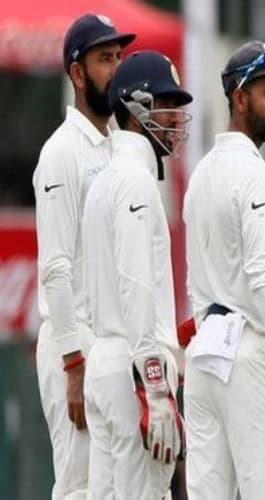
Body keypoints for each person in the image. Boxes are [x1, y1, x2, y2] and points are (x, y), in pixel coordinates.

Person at [182, 41, 265, 500]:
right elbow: (264, 274)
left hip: (205, 355)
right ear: (240, 98)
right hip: (251, 354)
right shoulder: (255, 172)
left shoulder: (201, 174)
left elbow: (194, 279)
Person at [32, 13, 134, 499]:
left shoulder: (119, 149)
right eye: (104, 59)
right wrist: (73, 365)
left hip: (111, 343)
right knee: (78, 487)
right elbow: (55, 266)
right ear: (77, 72)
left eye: (118, 58)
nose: (116, 70)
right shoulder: (61, 153)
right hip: (74, 346)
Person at [81, 50, 191, 499]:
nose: (175, 117)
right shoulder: (135, 180)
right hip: (132, 369)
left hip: (106, 362)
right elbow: (135, 282)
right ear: (136, 107)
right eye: (166, 104)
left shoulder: (106, 178)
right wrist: (156, 386)